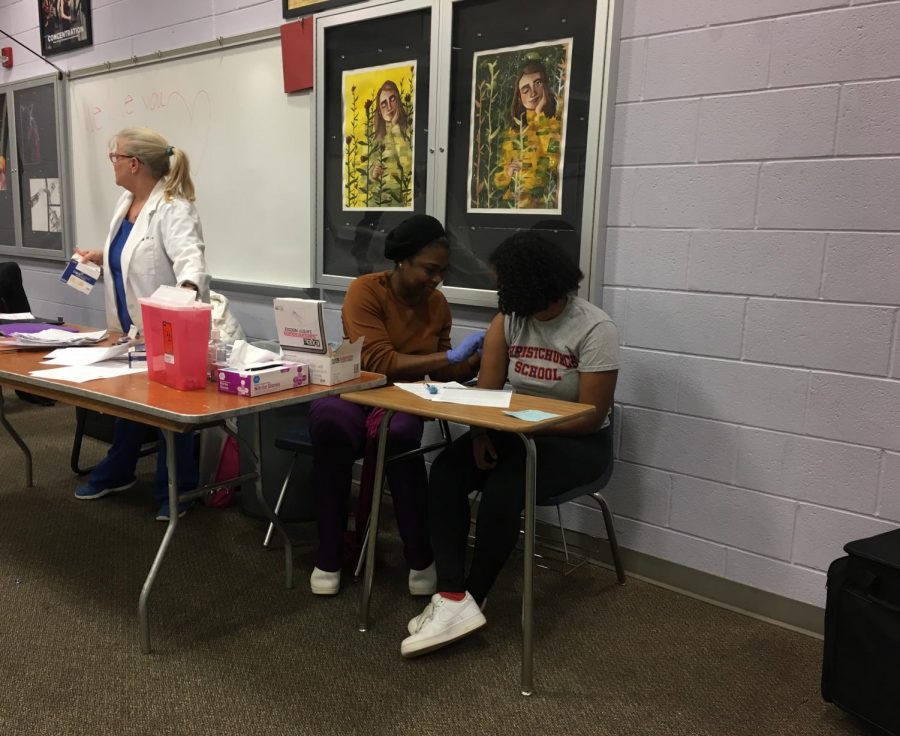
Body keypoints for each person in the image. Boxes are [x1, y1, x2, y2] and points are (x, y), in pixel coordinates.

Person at [401, 232, 619, 657]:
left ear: (532, 283)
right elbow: (487, 393)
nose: (500, 293)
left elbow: (591, 414)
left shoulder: (595, 328)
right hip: (511, 431)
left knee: (504, 485)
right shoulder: (509, 318)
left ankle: (474, 595)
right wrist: (482, 432)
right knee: (446, 471)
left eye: (505, 284)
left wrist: (521, 428)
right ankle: (451, 596)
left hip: (574, 441)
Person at [308, 214, 483, 596]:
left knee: (402, 436)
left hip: (405, 397)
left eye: (442, 271)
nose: (437, 279)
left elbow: (441, 372)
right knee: (329, 425)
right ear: (402, 261)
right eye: (429, 269)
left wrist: (471, 363)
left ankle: (419, 556)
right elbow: (379, 362)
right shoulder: (365, 291)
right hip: (360, 390)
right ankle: (329, 554)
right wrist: (449, 357)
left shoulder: (438, 305)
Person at [73, 127, 210, 521]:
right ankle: (119, 470)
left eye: (114, 156)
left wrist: (179, 297)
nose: (110, 163)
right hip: (128, 332)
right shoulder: (126, 202)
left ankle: (179, 491)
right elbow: (134, 254)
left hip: (168, 333)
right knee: (129, 405)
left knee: (169, 414)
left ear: (133, 163)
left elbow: (191, 265)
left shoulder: (174, 206)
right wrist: (101, 257)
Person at [492, 60, 563, 210]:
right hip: (514, 204)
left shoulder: (555, 123)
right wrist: (508, 171)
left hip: (543, 204)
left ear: (545, 85)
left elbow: (554, 163)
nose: (533, 93)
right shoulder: (514, 132)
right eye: (525, 89)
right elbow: (498, 180)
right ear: (518, 96)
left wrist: (539, 115)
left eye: (538, 83)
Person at [368, 80, 412, 208]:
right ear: (380, 111)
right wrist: (372, 174)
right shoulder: (376, 136)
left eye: (392, 99)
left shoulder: (408, 128)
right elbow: (365, 175)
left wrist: (395, 127)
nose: (389, 107)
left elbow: (408, 166)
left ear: (398, 100)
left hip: (398, 202)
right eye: (383, 104)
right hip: (377, 201)